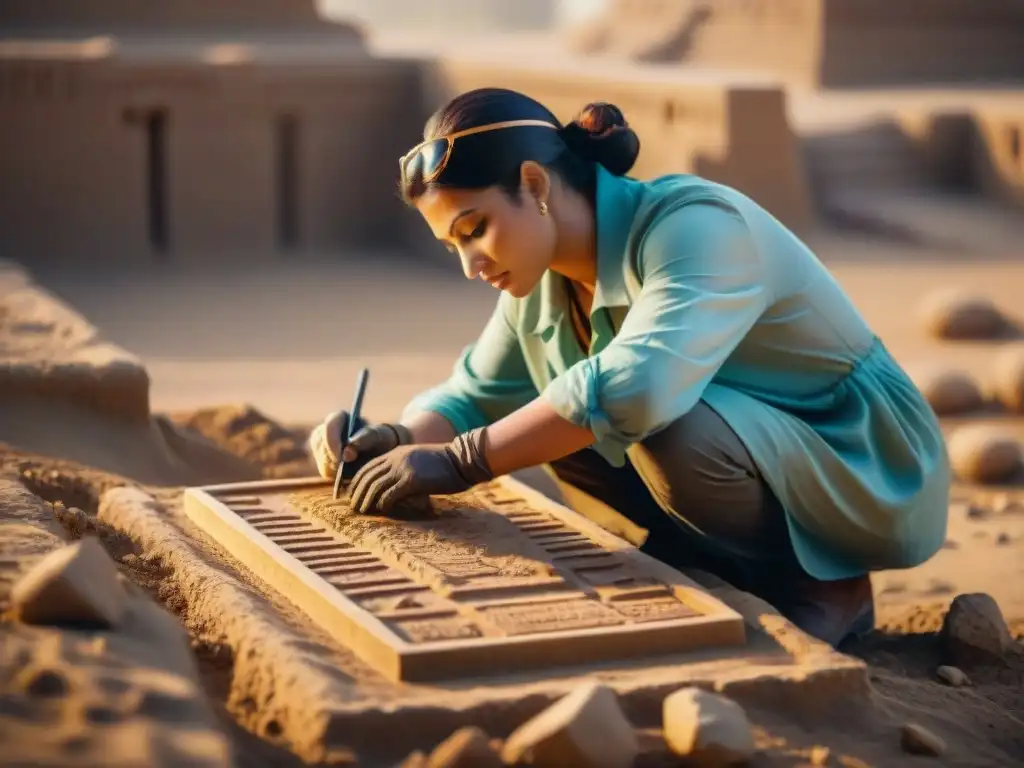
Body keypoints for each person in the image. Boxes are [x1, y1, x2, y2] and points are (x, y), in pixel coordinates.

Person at [308, 87, 950, 647]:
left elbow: (639, 386)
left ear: (534, 186)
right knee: (550, 409)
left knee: (644, 419)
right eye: (453, 245)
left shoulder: (694, 225)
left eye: (475, 229)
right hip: (748, 444)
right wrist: (392, 440)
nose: (470, 265)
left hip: (855, 452)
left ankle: (826, 583)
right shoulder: (547, 279)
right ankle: (711, 560)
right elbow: (474, 394)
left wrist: (460, 461)